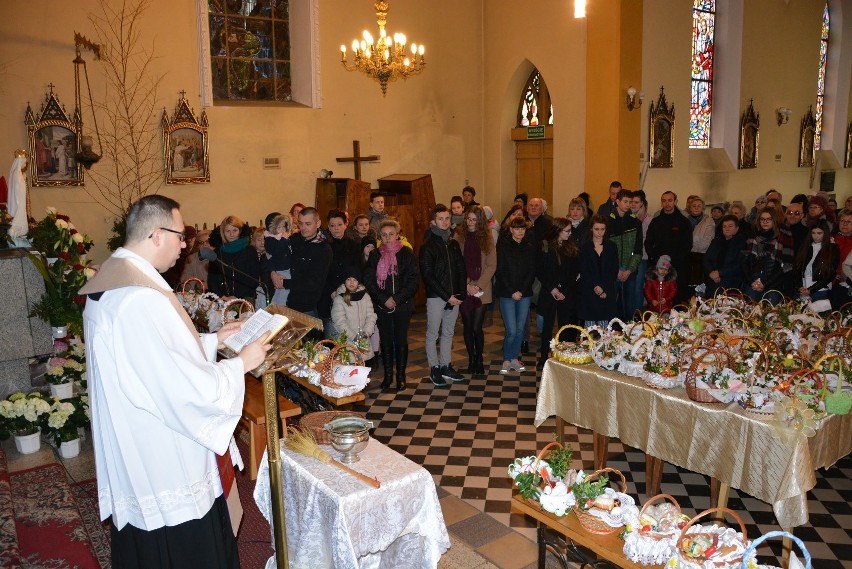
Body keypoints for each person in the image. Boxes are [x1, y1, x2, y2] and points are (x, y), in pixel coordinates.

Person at [80, 195, 271, 568]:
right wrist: (241, 365)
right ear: (155, 235)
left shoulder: (117, 283)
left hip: (137, 440)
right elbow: (181, 387)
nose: (186, 244)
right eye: (181, 236)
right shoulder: (138, 298)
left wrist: (216, 340)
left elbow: (155, 356)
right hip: (163, 456)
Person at [363, 220, 420, 391]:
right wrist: (384, 299)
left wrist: (397, 298)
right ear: (380, 237)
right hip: (382, 305)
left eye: (391, 234)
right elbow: (369, 280)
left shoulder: (407, 253)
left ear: (397, 234)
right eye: (384, 235)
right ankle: (388, 376)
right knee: (386, 340)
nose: (388, 238)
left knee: (401, 340)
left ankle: (401, 376)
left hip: (403, 304)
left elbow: (413, 279)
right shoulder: (375, 255)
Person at [421, 204, 466, 386]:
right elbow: (428, 275)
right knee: (433, 334)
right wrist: (447, 296)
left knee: (448, 332)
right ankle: (435, 368)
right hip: (436, 297)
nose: (445, 222)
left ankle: (446, 365)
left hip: (454, 297)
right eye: (441, 218)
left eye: (447, 218)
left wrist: (460, 294)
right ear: (434, 221)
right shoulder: (428, 246)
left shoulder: (453, 243)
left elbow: (461, 270)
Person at [455, 206, 496, 376]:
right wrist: (466, 286)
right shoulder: (459, 237)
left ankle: (479, 359)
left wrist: (478, 286)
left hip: (482, 289)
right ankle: (471, 359)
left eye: (474, 220)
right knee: (467, 326)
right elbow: (456, 264)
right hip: (464, 287)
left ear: (480, 222)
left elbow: (491, 265)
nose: (471, 223)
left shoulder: (487, 239)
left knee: (477, 327)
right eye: (468, 219)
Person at [537, 217, 579, 368]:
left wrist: (564, 290)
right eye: (567, 231)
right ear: (557, 230)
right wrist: (553, 288)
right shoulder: (545, 246)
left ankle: (563, 357)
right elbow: (541, 270)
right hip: (550, 291)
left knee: (565, 326)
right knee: (547, 327)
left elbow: (574, 272)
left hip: (567, 292)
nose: (569, 234)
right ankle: (543, 358)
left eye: (570, 231)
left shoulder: (571, 247)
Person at [495, 216, 536, 374]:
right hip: (507, 293)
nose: (520, 232)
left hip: (524, 293)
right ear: (511, 229)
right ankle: (507, 358)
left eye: (523, 229)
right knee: (511, 329)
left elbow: (531, 271)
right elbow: (501, 271)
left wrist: (522, 290)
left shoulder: (530, 246)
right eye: (517, 228)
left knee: (520, 329)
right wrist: (512, 291)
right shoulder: (503, 246)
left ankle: (514, 358)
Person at [644, 191, 693, 304]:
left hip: (677, 265)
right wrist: (657, 259)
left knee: (677, 296)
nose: (667, 203)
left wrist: (673, 260)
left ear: (675, 202)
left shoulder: (684, 222)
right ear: (661, 203)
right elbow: (648, 242)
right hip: (658, 266)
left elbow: (688, 244)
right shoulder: (656, 222)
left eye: (670, 200)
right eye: (664, 201)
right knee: (658, 298)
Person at [205, 215, 267, 301]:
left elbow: (254, 279)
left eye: (235, 230)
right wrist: (223, 297)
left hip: (245, 299)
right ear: (223, 232)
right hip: (222, 300)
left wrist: (237, 297)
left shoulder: (250, 251)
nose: (231, 234)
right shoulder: (217, 253)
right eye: (228, 231)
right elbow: (212, 280)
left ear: (240, 231)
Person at [320, 209, 361, 337]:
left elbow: (358, 270)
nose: (336, 229)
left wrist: (346, 290)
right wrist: (332, 291)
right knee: (330, 335)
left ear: (345, 225)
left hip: (348, 294)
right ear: (328, 227)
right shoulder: (323, 246)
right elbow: (321, 273)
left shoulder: (354, 245)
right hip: (327, 294)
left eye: (339, 225)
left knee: (349, 335)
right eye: (332, 225)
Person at [288, 207, 332, 317]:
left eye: (308, 224)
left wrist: (284, 283)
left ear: (318, 224)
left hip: (308, 306)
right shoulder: (294, 239)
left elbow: (314, 282)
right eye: (301, 224)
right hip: (288, 301)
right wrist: (273, 271)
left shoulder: (324, 249)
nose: (303, 228)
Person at [606, 188, 643, 320]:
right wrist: (615, 269)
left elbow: (638, 250)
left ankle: (628, 333)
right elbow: (605, 251)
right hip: (612, 271)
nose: (629, 205)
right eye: (626, 201)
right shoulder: (607, 222)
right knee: (610, 305)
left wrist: (629, 270)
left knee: (628, 305)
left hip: (629, 270)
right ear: (617, 201)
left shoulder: (636, 223)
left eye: (631, 202)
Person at [578, 215, 618, 327]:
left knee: (605, 327)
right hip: (590, 290)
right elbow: (584, 270)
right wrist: (596, 286)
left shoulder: (612, 246)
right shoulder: (584, 247)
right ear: (591, 229)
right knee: (589, 328)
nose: (599, 232)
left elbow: (613, 270)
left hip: (607, 289)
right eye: (596, 229)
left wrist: (603, 288)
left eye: (602, 229)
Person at [331, 266, 378, 362]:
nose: (351, 282)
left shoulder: (365, 296)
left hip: (363, 341)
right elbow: (339, 320)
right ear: (344, 281)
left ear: (358, 282)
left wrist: (366, 332)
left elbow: (371, 316)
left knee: (363, 369)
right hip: (347, 341)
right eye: (348, 279)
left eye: (354, 280)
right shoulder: (339, 298)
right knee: (349, 370)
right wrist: (354, 336)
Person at [741, 208, 787, 304]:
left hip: (773, 283)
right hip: (753, 281)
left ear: (774, 220)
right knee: (749, 311)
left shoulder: (782, 238)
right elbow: (744, 262)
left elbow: (785, 266)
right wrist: (751, 282)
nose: (765, 222)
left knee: (769, 315)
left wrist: (764, 283)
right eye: (762, 219)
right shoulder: (752, 237)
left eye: (768, 219)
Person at [793, 220, 838, 312]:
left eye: (819, 233)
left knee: (818, 322)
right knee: (796, 318)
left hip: (820, 290)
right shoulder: (806, 246)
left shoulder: (832, 248)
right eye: (813, 233)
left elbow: (830, 274)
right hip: (802, 288)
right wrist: (799, 286)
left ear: (825, 233)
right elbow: (797, 268)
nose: (816, 236)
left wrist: (811, 289)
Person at [703, 215, 746, 297]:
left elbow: (739, 264)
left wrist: (720, 273)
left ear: (737, 228)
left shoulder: (742, 243)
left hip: (731, 279)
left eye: (730, 226)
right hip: (712, 278)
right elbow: (706, 259)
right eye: (724, 226)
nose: (727, 229)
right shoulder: (716, 241)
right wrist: (711, 272)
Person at [686, 196, 716, 287]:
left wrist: (689, 247)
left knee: (698, 285)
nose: (696, 208)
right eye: (694, 206)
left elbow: (707, 241)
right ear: (690, 208)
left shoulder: (709, 221)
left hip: (701, 257)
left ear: (703, 208)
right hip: (686, 256)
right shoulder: (685, 220)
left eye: (699, 206)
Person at [265, 213, 292, 305]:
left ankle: (278, 306)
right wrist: (284, 239)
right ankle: (279, 307)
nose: (283, 230)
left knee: (283, 290)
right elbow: (277, 251)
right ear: (272, 229)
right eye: (279, 227)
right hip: (280, 269)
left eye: (284, 227)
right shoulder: (270, 240)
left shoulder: (285, 238)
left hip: (287, 268)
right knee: (282, 290)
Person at [7, 149, 28, 240]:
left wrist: (23, 179)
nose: (25, 164)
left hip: (20, 200)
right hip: (18, 201)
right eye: (24, 162)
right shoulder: (17, 173)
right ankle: (16, 230)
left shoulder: (18, 173)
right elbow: (17, 189)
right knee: (19, 220)